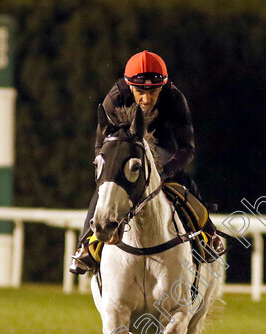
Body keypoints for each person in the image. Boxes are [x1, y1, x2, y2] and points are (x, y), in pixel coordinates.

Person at [69, 50, 223, 274]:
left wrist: (164, 171)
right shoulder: (116, 97)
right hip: (123, 144)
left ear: (164, 86)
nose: (147, 99)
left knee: (184, 180)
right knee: (106, 188)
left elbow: (187, 148)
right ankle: (86, 246)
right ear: (129, 86)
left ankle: (209, 235)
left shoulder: (175, 97)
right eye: (140, 91)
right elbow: (100, 146)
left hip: (161, 143)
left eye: (153, 91)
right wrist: (107, 172)